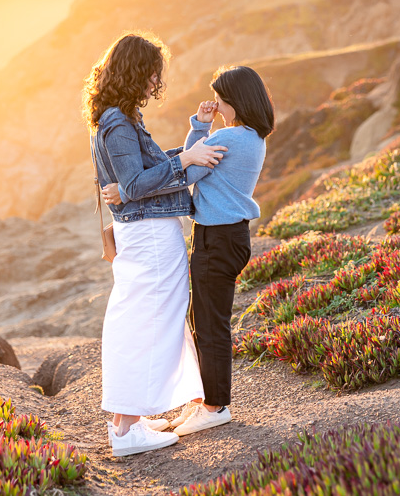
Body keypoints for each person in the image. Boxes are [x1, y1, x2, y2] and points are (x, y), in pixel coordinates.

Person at [103, 65, 274, 436]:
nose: (216, 102)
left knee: (211, 324)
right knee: (202, 319)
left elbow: (188, 171)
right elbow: (191, 158)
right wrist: (199, 129)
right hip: (219, 236)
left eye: (219, 97)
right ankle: (205, 398)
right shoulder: (246, 137)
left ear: (235, 100)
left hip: (219, 238)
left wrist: (127, 189)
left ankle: (215, 406)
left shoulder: (232, 139)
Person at [83, 32, 228, 457]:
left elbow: (137, 175)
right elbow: (133, 184)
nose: (154, 83)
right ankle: (126, 430)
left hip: (142, 232)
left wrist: (190, 142)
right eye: (151, 74)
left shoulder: (111, 118)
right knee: (150, 320)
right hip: (149, 234)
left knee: (142, 317)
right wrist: (186, 159)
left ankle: (129, 418)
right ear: (136, 72)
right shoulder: (118, 123)